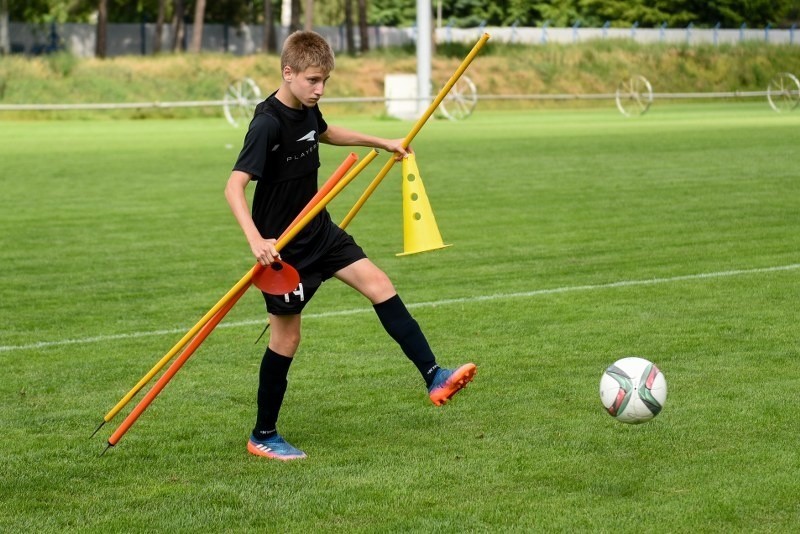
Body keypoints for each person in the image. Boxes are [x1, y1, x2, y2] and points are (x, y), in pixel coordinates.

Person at [225, 31, 476, 461]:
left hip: (318, 230)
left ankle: (434, 376)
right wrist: (255, 240)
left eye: (324, 81)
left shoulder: (307, 109)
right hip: (284, 251)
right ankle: (262, 434)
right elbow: (234, 186)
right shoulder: (267, 122)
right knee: (287, 340)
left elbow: (325, 132)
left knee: (379, 284)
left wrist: (382, 142)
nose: (319, 89)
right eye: (313, 81)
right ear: (288, 73)